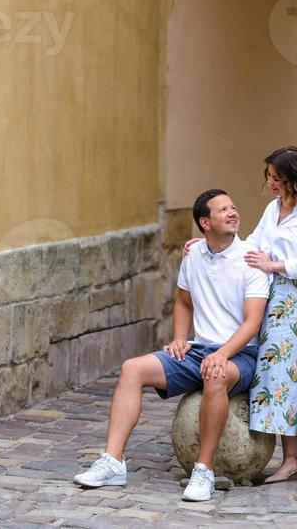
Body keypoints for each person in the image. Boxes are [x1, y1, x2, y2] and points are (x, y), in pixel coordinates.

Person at [73, 189, 270, 502]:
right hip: (198, 350)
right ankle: (112, 462)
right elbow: (182, 302)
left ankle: (203, 471)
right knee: (132, 369)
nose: (233, 213)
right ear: (205, 223)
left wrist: (222, 353)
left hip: (240, 355)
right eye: (223, 210)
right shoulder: (193, 257)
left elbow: (252, 323)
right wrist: (180, 337)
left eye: (233, 207)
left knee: (215, 375)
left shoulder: (250, 260)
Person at [183, 146, 297, 483]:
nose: (269, 183)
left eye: (276, 178)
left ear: (294, 179)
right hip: (269, 301)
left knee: (292, 376)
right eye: (268, 176)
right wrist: (205, 242)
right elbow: (252, 243)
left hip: (295, 302)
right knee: (275, 379)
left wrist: (275, 265)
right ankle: (296, 455)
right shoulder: (274, 208)